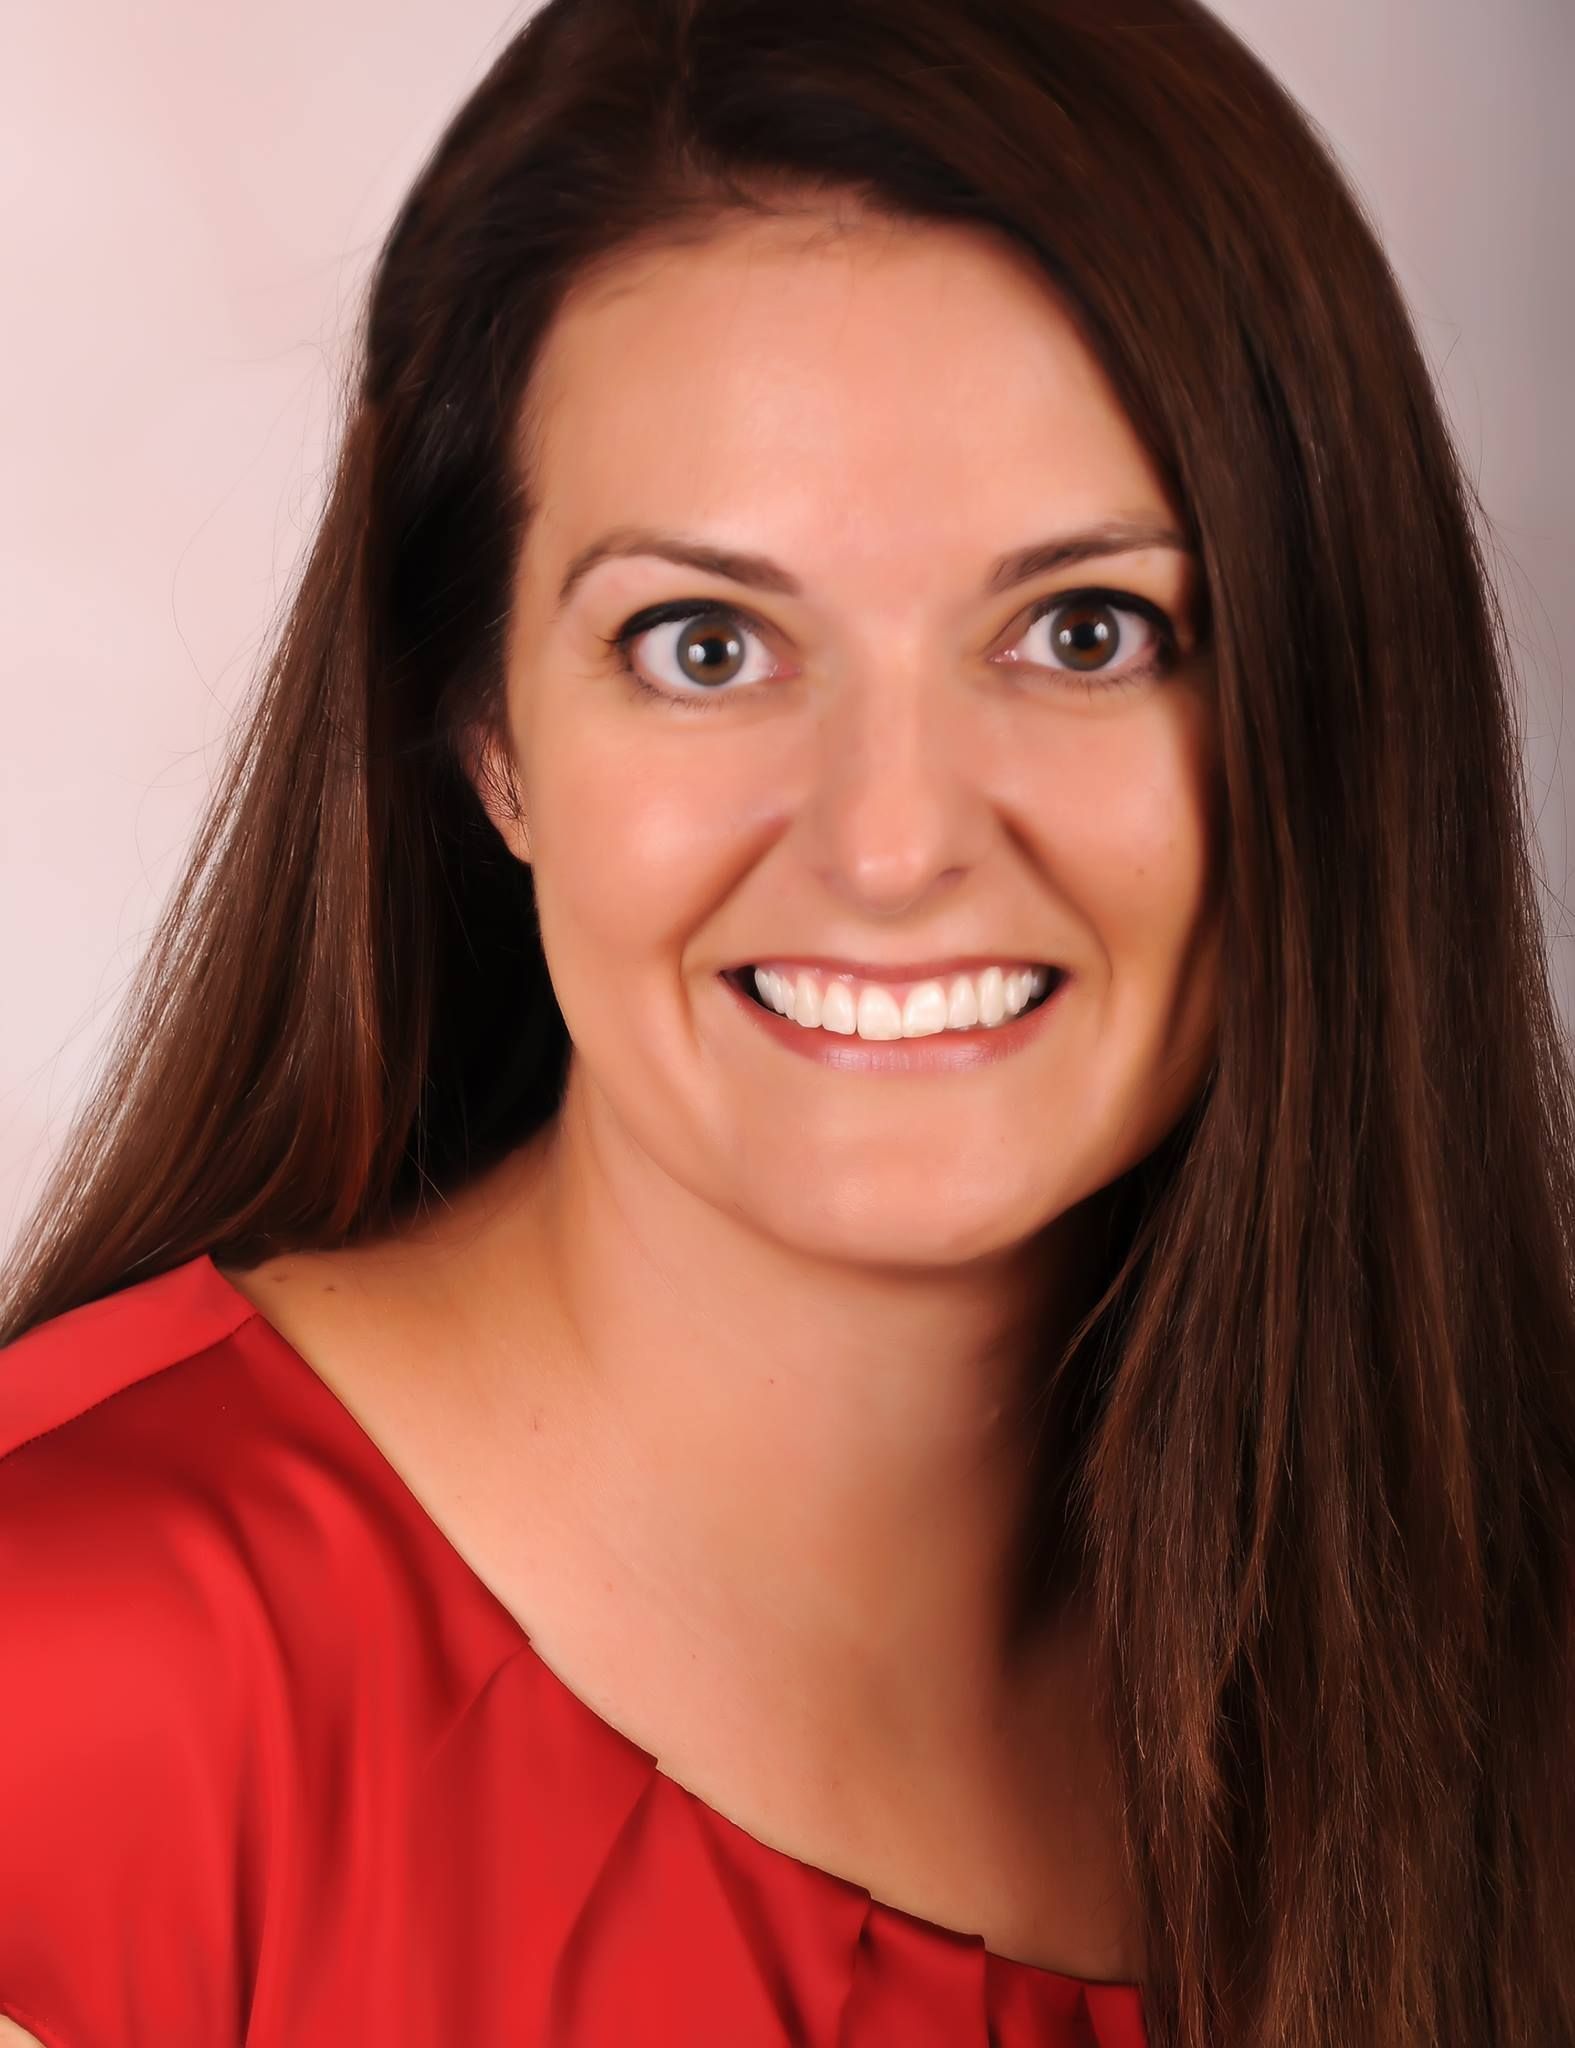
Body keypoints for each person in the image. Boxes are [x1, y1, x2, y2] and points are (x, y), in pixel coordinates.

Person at [2, 0, 1572, 2043]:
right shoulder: (68, 1700)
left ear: (1316, 701)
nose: (896, 839)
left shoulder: (1502, 1668)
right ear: (484, 731)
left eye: (1082, 632)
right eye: (706, 641)